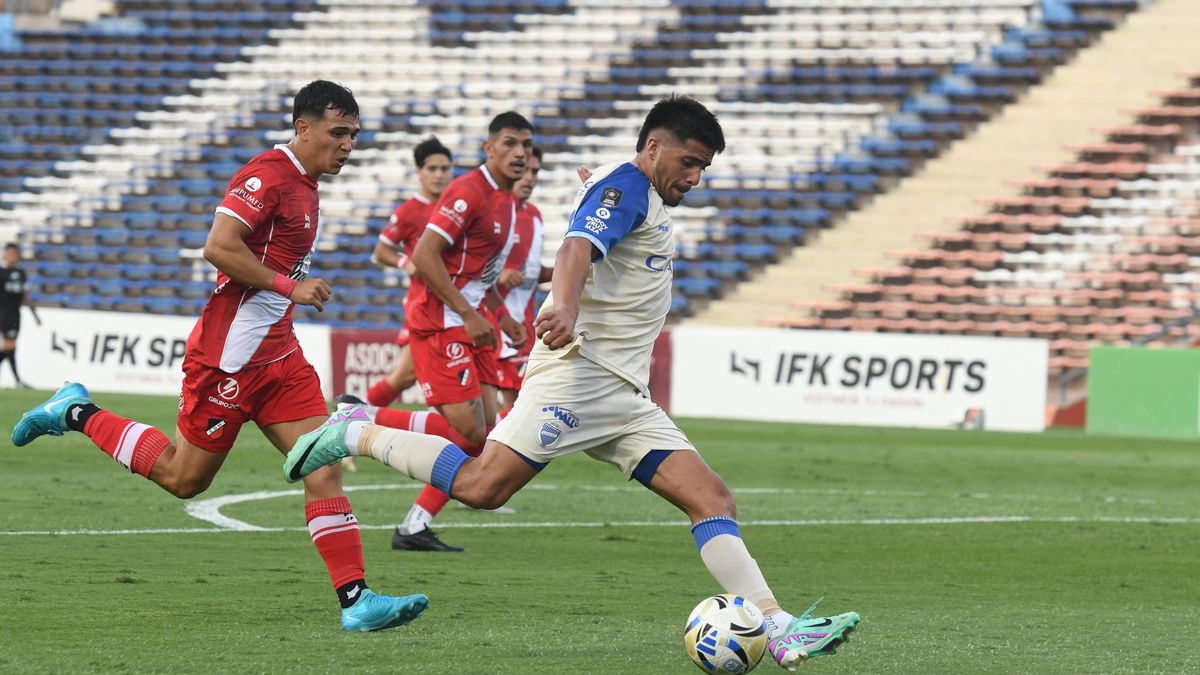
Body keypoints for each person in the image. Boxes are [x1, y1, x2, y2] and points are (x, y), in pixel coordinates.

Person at [284, 95, 861, 668]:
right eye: (688, 162)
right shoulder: (629, 186)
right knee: (484, 487)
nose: (695, 177)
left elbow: (590, 242)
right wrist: (563, 305)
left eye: (703, 167)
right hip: (579, 379)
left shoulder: (633, 192)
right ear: (654, 147)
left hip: (625, 396)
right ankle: (357, 429)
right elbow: (578, 247)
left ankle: (780, 629)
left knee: (711, 498)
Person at [12, 81, 427, 633]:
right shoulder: (268, 175)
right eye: (338, 132)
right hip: (227, 359)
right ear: (303, 128)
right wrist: (289, 287)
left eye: (353, 133)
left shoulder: (308, 183)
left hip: (281, 358)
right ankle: (75, 412)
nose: (349, 144)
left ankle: (356, 601)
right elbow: (219, 246)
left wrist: (286, 296)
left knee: (323, 467)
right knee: (185, 478)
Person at [385, 111, 530, 553]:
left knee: (481, 440)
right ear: (488, 148)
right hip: (438, 320)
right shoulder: (468, 191)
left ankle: (413, 525)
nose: (520, 153)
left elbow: (477, 276)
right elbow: (427, 255)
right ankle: (358, 417)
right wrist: (469, 313)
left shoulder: (506, 202)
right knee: (466, 435)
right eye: (509, 143)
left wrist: (500, 316)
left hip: (467, 320)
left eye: (526, 145)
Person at [364, 137, 454, 408]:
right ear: (419, 172)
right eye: (432, 168)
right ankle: (351, 417)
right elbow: (382, 250)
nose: (439, 174)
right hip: (425, 305)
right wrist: (408, 263)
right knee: (405, 376)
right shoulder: (410, 211)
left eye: (444, 168)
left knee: (446, 383)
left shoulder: (456, 205)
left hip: (455, 304)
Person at [495, 146, 553, 411]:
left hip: (523, 324)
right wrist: (499, 274)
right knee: (516, 409)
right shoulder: (493, 211)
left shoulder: (535, 216)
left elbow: (530, 274)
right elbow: (461, 267)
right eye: (525, 170)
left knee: (519, 407)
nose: (529, 177)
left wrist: (570, 270)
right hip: (493, 321)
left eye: (536, 171)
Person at [0, 242, 41, 388]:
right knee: (10, 345)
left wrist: (34, 314)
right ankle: (18, 380)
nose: (13, 256)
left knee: (9, 347)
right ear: (5, 254)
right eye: (11, 253)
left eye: (15, 254)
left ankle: (18, 380)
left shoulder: (21, 273)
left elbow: (26, 295)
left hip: (15, 314)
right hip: (2, 313)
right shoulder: (1, 272)